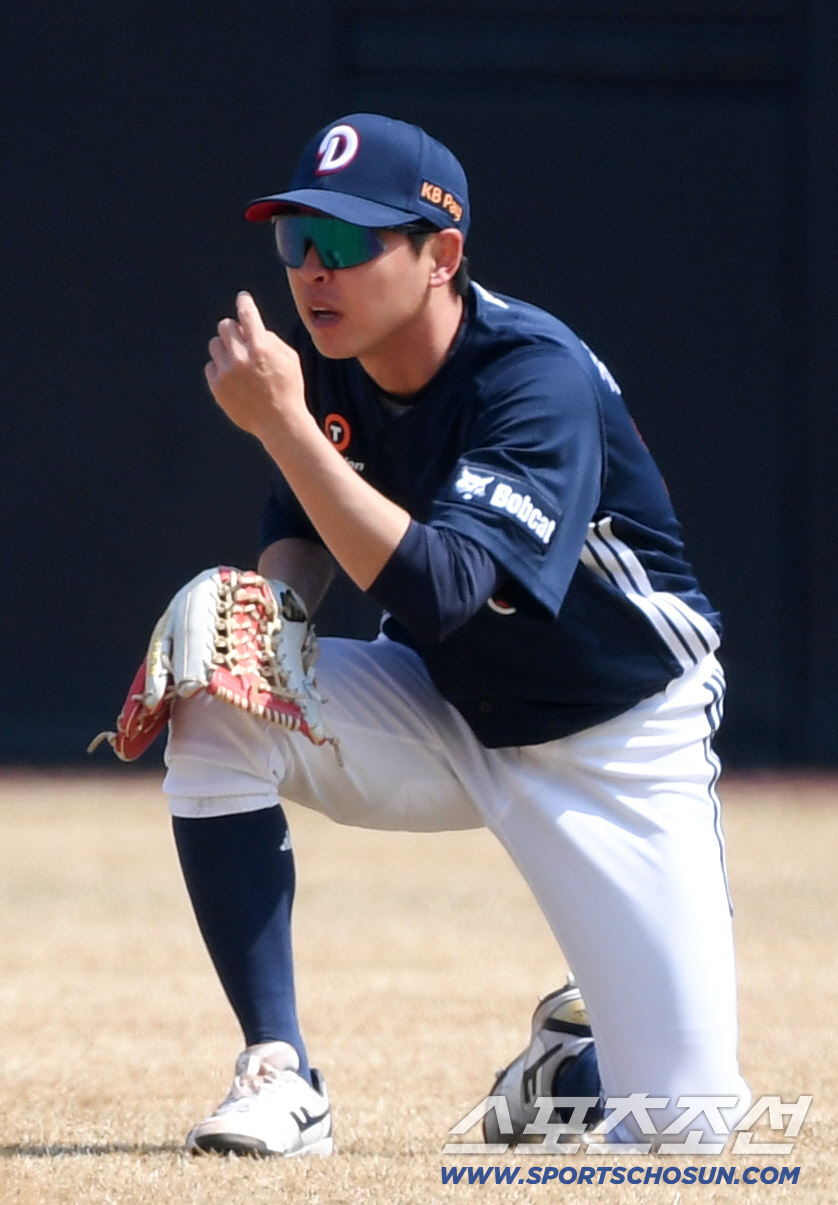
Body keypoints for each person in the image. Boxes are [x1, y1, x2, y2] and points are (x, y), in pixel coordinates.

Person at [162, 112, 750, 1157]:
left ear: (443, 256)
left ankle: (575, 1056)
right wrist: (267, 642)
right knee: (219, 682)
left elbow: (446, 589)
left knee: (682, 1130)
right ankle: (279, 1070)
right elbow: (300, 522)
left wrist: (281, 424)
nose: (314, 272)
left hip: (615, 736)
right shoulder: (328, 367)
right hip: (442, 703)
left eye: (348, 244)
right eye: (297, 243)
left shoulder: (533, 377)